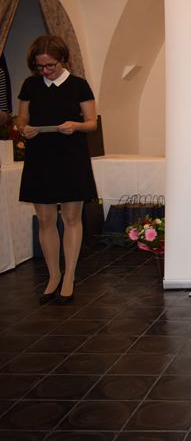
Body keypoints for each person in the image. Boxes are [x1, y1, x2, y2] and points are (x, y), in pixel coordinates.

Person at [17, 35, 98, 305]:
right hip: (40, 157)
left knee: (72, 218)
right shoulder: (30, 85)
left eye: (50, 65)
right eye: (40, 66)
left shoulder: (79, 85)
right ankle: (53, 276)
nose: (45, 71)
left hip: (71, 157)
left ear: (62, 60)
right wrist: (24, 129)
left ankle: (69, 276)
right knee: (45, 220)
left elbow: (91, 123)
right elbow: (22, 120)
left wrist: (75, 126)